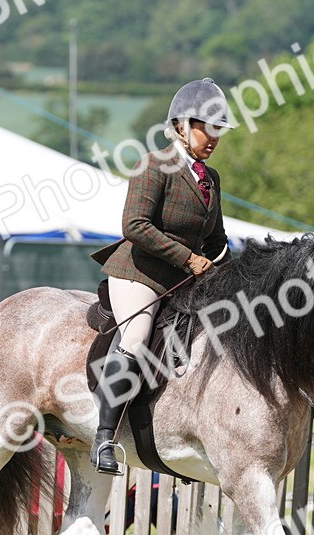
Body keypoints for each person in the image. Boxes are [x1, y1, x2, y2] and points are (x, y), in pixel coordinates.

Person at [87, 77, 234, 474]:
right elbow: (134, 225)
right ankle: (104, 439)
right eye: (209, 127)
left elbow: (217, 240)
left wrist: (233, 269)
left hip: (184, 283)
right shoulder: (153, 164)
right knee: (135, 340)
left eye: (219, 129)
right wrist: (189, 260)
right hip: (139, 274)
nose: (215, 137)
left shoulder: (211, 179)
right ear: (183, 126)